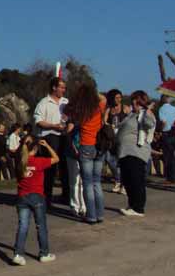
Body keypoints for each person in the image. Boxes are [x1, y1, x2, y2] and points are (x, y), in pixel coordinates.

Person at [12, 134, 59, 265]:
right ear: (36, 148)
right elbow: (56, 158)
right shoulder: (39, 162)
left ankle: (18, 254)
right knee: (41, 226)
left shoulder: (20, 162)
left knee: (23, 226)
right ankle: (44, 253)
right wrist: (48, 146)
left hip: (22, 197)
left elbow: (19, 152)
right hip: (37, 196)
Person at [67, 83, 107, 224]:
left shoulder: (81, 111)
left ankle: (91, 215)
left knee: (88, 182)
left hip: (86, 145)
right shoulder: (99, 107)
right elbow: (103, 98)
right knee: (97, 182)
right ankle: (100, 213)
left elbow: (70, 123)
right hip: (99, 145)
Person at [116, 91, 157, 216]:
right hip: (125, 151)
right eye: (133, 100)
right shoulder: (131, 114)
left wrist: (147, 110)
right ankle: (132, 204)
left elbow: (149, 123)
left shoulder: (145, 114)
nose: (133, 102)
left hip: (137, 151)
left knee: (136, 179)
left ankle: (138, 208)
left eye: (136, 100)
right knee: (127, 180)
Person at [33, 78, 69, 205]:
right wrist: (53, 126)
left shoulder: (66, 102)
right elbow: (39, 121)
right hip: (49, 137)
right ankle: (46, 198)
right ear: (54, 87)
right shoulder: (43, 103)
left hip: (64, 137)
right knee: (50, 169)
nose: (63, 90)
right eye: (61, 87)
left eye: (64, 88)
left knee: (65, 167)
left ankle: (66, 196)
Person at [104, 89, 124, 193]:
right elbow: (104, 121)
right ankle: (118, 180)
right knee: (109, 158)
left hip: (122, 138)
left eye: (120, 97)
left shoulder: (125, 108)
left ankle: (123, 184)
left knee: (121, 160)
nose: (118, 99)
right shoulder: (108, 109)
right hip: (111, 138)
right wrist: (108, 126)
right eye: (116, 97)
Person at [158, 97, 175, 183]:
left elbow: (163, 122)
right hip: (174, 132)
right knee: (173, 155)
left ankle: (170, 178)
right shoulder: (174, 108)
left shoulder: (162, 109)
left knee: (167, 157)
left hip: (166, 133)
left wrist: (160, 131)